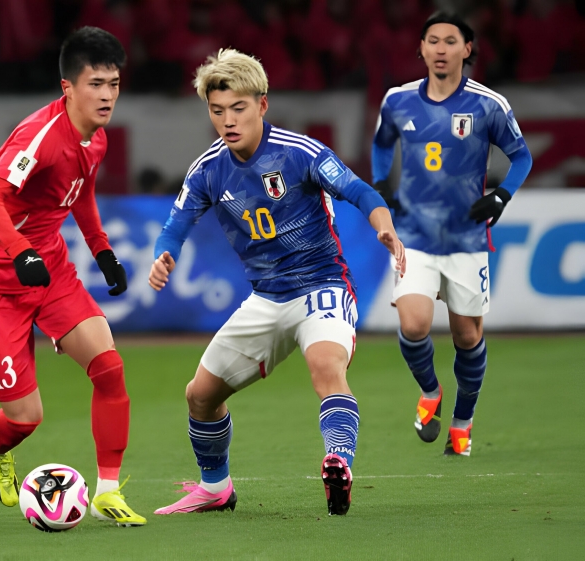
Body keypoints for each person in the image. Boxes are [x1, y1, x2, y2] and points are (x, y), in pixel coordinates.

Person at [148, 49, 406, 517]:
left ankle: (338, 462)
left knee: (327, 369)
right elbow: (175, 226)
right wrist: (164, 255)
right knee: (200, 396)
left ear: (262, 104)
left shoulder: (299, 152)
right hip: (266, 298)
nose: (228, 120)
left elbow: (359, 190)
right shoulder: (207, 169)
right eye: (217, 110)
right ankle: (215, 488)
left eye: (238, 108)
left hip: (322, 286)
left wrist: (383, 225)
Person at [0, 27, 145, 527]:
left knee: (109, 367)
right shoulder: (39, 138)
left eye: (114, 84)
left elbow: (80, 192)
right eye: (96, 84)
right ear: (68, 87)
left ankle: (107, 493)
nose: (107, 95)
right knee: (25, 418)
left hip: (50, 269)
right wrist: (19, 251)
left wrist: (102, 251)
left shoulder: (96, 138)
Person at [371, 12, 533, 456]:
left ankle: (462, 423)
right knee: (413, 324)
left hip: (466, 239)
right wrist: (382, 185)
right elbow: (382, 143)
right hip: (414, 235)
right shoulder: (398, 100)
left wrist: (501, 197)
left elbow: (521, 157)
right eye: (433, 40)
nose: (440, 49)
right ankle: (430, 391)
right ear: (421, 49)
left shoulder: (488, 104)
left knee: (467, 337)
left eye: (450, 41)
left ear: (467, 49)